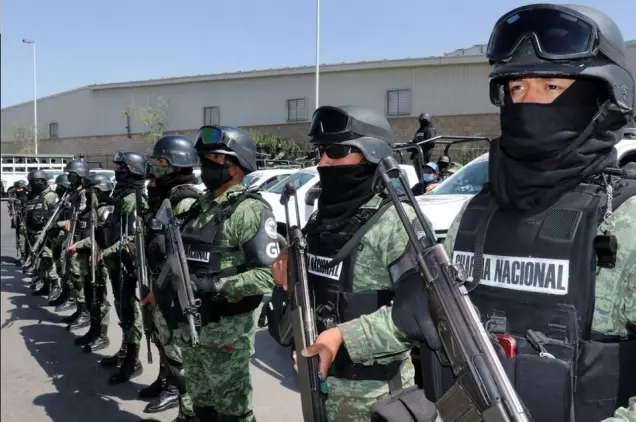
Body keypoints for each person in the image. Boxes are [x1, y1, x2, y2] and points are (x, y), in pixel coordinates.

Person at [355, 4, 636, 422]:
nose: (528, 103)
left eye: (551, 87)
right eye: (517, 88)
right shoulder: (475, 215)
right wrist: (345, 337)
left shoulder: (624, 220)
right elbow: (441, 318)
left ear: (606, 98)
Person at [270, 105, 423, 422]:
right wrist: (288, 258)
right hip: (321, 393)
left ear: (371, 155)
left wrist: (343, 336)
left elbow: (423, 313)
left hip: (376, 399)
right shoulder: (322, 218)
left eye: (337, 151)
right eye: (321, 151)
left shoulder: (397, 221)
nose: (323, 162)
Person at [151, 125, 277, 421]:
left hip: (226, 337)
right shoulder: (199, 208)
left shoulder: (249, 211)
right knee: (202, 409)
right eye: (204, 157)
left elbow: (268, 275)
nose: (205, 163)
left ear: (236, 165)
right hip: (192, 331)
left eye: (215, 158)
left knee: (233, 414)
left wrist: (216, 285)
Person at [139, 134, 200, 421]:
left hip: (178, 291)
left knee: (182, 358)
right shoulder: (167, 198)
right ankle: (172, 390)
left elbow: (184, 254)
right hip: (163, 286)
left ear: (177, 164)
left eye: (161, 162)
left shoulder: (185, 201)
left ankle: (187, 411)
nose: (155, 167)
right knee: (167, 346)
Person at [99, 151, 148, 384]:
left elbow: (131, 238)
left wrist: (105, 252)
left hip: (127, 264)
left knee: (130, 311)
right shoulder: (120, 196)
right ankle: (124, 351)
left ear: (134, 172)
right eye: (118, 167)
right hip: (116, 263)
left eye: (123, 169)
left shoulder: (133, 199)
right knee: (122, 308)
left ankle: (133, 360)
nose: (117, 171)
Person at [67, 172, 115, 353]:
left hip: (99, 260)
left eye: (90, 191)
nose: (86, 195)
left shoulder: (106, 211)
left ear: (99, 191)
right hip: (89, 258)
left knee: (99, 298)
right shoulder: (93, 209)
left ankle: (102, 335)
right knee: (90, 295)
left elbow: (101, 239)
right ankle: (93, 331)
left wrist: (79, 245)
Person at [56, 160, 92, 330]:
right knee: (70, 273)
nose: (69, 177)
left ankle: (85, 312)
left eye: (72, 174)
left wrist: (62, 224)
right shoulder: (72, 192)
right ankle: (79, 309)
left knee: (79, 278)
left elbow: (80, 217)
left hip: (81, 239)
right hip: (73, 236)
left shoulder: (84, 193)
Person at [23, 170, 59, 292]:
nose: (33, 184)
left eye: (36, 181)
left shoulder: (50, 196)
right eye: (31, 181)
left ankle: (55, 284)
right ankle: (45, 284)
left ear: (43, 181)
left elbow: (55, 215)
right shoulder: (33, 196)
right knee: (39, 260)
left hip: (45, 233)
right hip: (32, 233)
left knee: (47, 258)